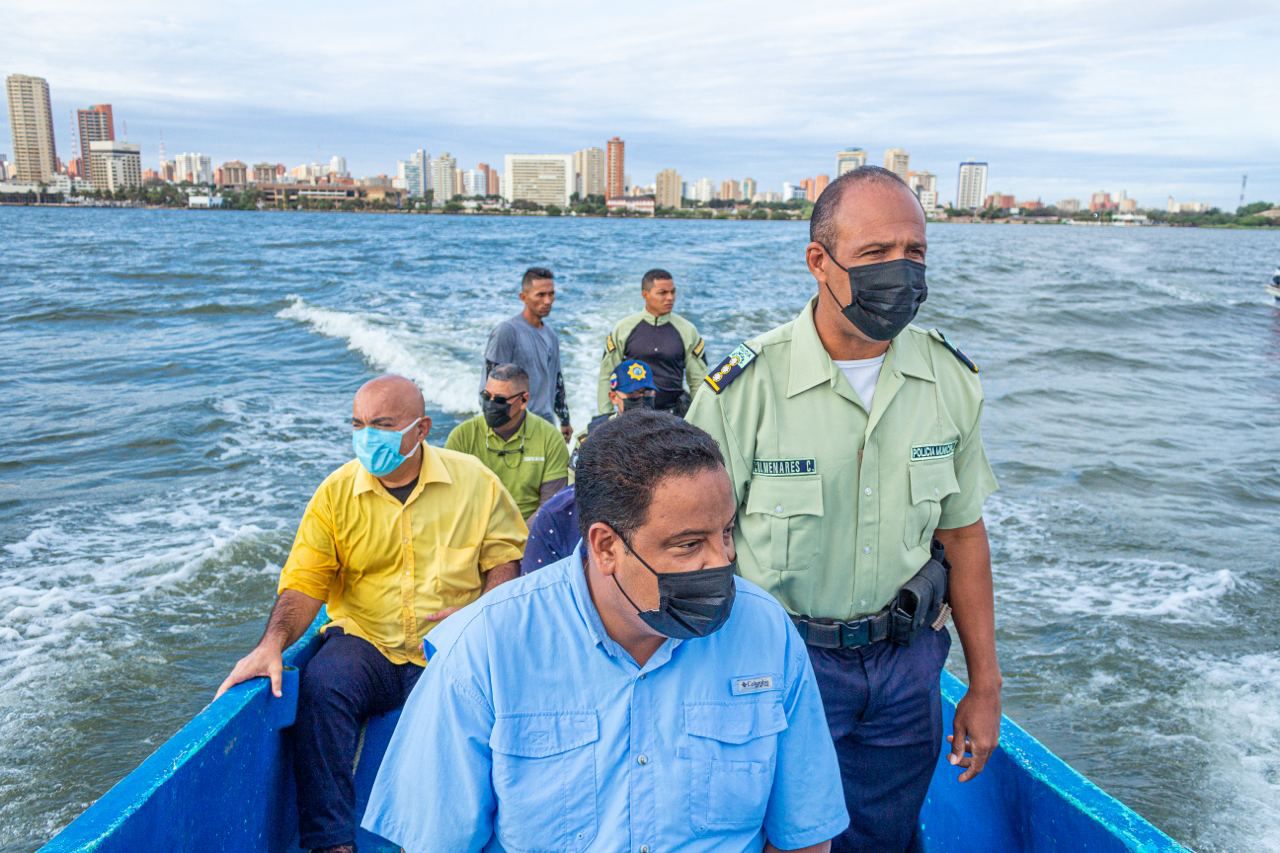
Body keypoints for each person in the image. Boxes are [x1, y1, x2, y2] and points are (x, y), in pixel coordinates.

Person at [686, 165, 1002, 852]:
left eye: (914, 252)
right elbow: (688, 548)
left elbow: (965, 534)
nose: (901, 270)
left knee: (885, 837)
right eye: (875, 254)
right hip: (776, 660)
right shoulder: (745, 388)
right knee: (770, 837)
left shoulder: (949, 380)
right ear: (818, 262)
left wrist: (985, 684)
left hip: (904, 665)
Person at [363, 410, 849, 852]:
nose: (721, 561)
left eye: (725, 533)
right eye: (688, 544)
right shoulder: (484, 649)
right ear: (605, 546)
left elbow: (803, 838)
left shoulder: (766, 631)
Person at [215, 374, 526, 853]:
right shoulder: (336, 493)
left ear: (420, 430)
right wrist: (270, 644)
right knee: (321, 687)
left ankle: (442, 838)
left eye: (381, 425)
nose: (367, 437)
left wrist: (479, 618)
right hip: (369, 640)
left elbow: (504, 560)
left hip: (447, 642)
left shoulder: (475, 483)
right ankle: (331, 841)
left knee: (469, 715)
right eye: (358, 424)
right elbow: (305, 582)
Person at [522, 358, 657, 573]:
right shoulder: (591, 439)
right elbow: (576, 494)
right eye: (633, 396)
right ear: (614, 397)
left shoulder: (668, 434)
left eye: (647, 395)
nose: (641, 401)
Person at [446, 362, 569, 520]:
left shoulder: (550, 439)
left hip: (528, 533)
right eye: (486, 396)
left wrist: (517, 540)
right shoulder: (461, 437)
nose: (490, 405)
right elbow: (452, 499)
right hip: (476, 529)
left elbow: (550, 507)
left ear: (523, 400)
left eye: (500, 400)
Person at [596, 268, 708, 416]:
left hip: (674, 415)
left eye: (673, 292)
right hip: (633, 414)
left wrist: (701, 418)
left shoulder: (687, 330)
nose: (670, 298)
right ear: (645, 294)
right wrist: (605, 416)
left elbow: (698, 380)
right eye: (662, 293)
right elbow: (607, 374)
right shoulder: (623, 329)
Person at [483, 266, 573, 441]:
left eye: (551, 294)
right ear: (523, 297)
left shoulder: (551, 336)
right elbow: (491, 383)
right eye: (540, 295)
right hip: (514, 425)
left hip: (545, 424)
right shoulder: (507, 331)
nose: (547, 301)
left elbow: (557, 381)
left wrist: (564, 420)